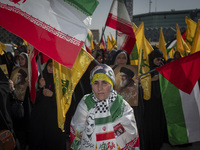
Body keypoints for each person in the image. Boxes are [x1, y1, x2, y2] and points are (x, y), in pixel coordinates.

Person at [70, 64, 140, 150]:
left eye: (104, 83)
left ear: (111, 84)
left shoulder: (121, 105)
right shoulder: (85, 103)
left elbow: (129, 132)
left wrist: (98, 129)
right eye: (96, 83)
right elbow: (77, 130)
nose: (100, 88)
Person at [29, 59, 66, 150]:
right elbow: (33, 99)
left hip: (54, 119)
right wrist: (40, 87)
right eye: (49, 65)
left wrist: (53, 95)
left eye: (54, 66)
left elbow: (66, 99)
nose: (51, 68)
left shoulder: (61, 80)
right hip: (41, 118)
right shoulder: (41, 78)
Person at [143, 48, 168, 150]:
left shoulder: (162, 67)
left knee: (159, 122)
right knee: (152, 123)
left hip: (160, 101)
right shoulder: (147, 68)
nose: (159, 62)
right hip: (150, 101)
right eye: (157, 59)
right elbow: (141, 82)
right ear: (152, 58)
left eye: (161, 59)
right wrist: (151, 80)